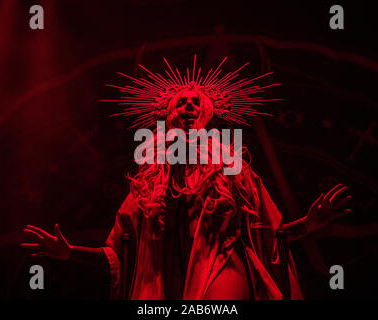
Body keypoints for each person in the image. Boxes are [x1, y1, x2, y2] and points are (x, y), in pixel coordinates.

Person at [22, 57, 352, 299]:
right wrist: (70, 253)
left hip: (224, 269)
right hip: (163, 283)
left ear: (207, 116)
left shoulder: (231, 165)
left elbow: (269, 234)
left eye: (197, 102)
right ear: (169, 114)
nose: (190, 106)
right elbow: (118, 253)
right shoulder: (148, 181)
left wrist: (310, 223)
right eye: (182, 102)